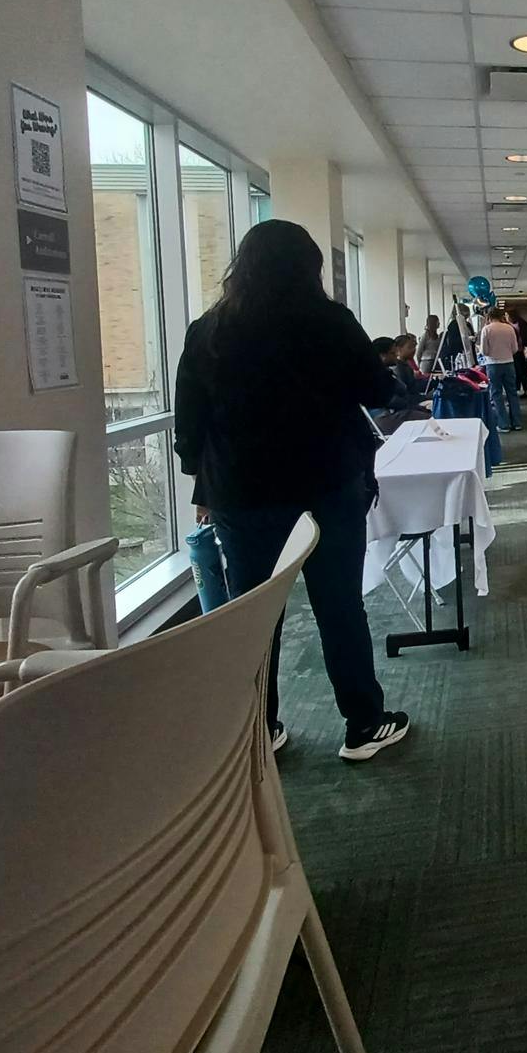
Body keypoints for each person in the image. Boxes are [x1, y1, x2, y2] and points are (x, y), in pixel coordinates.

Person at [174, 219, 410, 761]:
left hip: (242, 495)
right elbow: (376, 390)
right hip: (327, 484)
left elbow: (191, 421)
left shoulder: (208, 330)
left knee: (254, 615)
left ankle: (261, 729)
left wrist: (200, 483)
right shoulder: (330, 323)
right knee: (340, 607)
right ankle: (363, 724)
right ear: (310, 268)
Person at [478, 305, 521, 430]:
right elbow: (515, 349)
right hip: (509, 363)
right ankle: (517, 422)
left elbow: (484, 351)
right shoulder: (509, 328)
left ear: (489, 316)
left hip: (493, 365)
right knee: (512, 393)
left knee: (496, 394)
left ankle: (503, 424)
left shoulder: (487, 329)